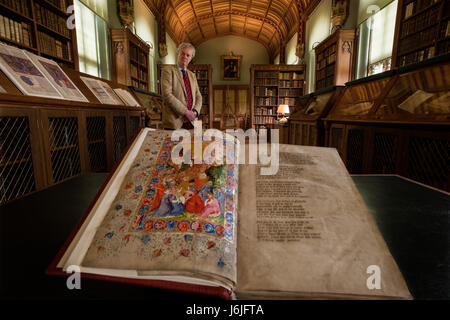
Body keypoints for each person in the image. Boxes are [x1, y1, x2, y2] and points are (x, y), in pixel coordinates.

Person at [161, 43, 202, 129]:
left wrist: (195, 112)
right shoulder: (167, 71)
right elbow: (167, 95)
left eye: (188, 55)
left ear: (191, 58)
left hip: (192, 121)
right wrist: (185, 112)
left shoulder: (192, 75)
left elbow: (198, 96)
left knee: (196, 142)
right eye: (182, 53)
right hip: (175, 122)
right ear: (178, 54)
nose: (185, 57)